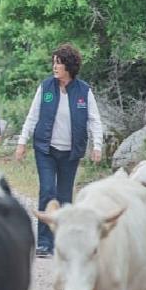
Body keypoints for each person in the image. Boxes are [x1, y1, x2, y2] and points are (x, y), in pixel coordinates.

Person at [15, 43, 103, 258]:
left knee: (64, 197)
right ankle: (44, 243)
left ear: (69, 66)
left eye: (59, 63)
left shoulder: (84, 91)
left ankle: (62, 243)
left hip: (71, 152)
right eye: (54, 63)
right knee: (47, 191)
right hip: (46, 149)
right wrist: (21, 142)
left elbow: (95, 121)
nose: (55, 67)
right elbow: (32, 116)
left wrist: (97, 145)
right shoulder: (46, 87)